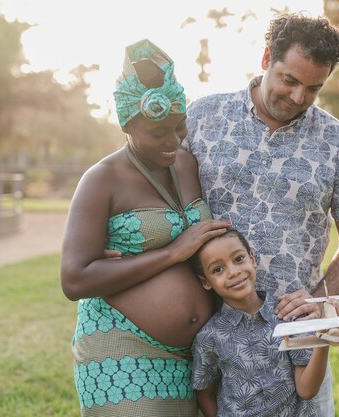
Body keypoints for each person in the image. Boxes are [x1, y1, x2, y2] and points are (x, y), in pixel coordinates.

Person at [182, 13, 339, 415]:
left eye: (313, 88)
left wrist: (317, 302)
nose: (298, 97)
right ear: (266, 57)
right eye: (289, 80)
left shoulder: (338, 143)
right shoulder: (202, 118)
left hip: (295, 342)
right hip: (207, 328)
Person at [60, 39, 230, 416]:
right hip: (122, 348)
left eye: (179, 128)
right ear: (126, 124)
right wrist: (172, 252)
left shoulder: (186, 164)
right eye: (158, 133)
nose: (173, 142)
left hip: (195, 357)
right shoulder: (101, 180)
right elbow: (74, 279)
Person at [189, 229, 330, 417]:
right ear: (206, 282)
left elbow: (306, 390)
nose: (233, 272)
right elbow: (204, 394)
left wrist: (323, 339)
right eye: (217, 269)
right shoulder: (209, 336)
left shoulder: (288, 316)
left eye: (238, 259)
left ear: (252, 259)